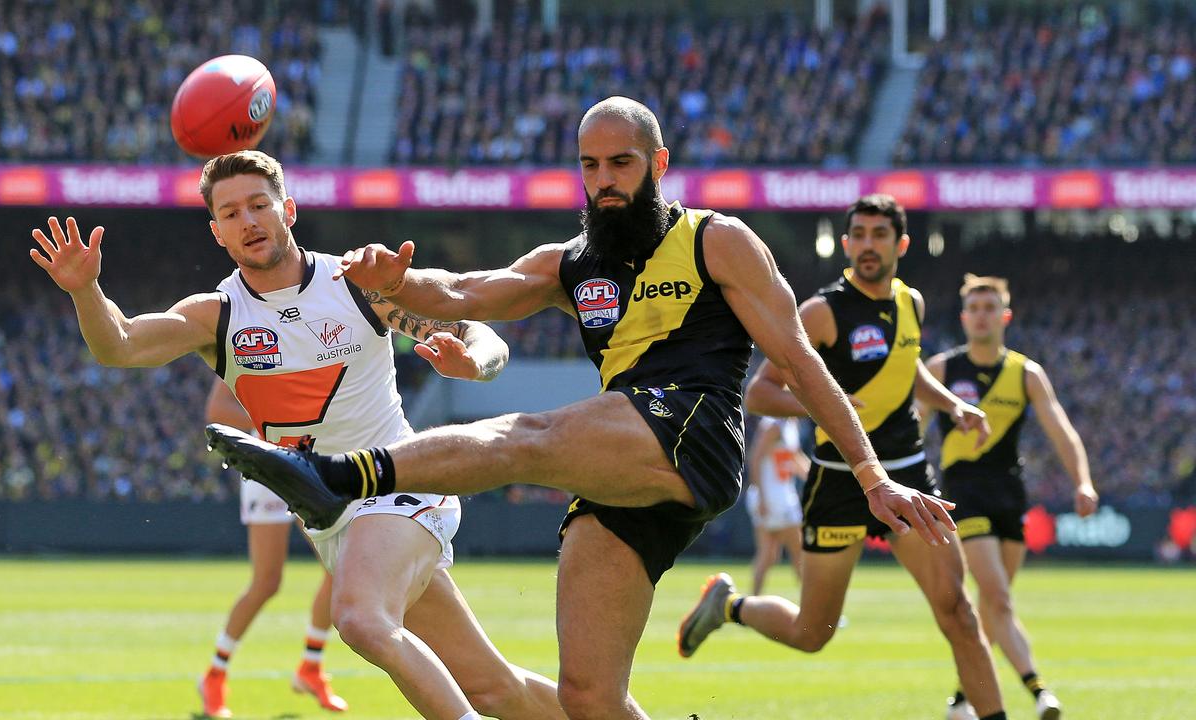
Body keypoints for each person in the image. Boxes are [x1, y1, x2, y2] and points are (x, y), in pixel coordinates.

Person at [203, 97, 959, 720]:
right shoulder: (572, 262)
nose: (604, 181)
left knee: (527, 437)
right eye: (590, 165)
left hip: (691, 429)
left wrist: (869, 472)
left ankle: (337, 476)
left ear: (657, 166)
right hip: (623, 465)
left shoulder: (716, 241)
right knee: (589, 698)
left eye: (621, 163)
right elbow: (466, 294)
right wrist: (396, 279)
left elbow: (796, 358)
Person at [28, 150, 565, 720]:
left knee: (359, 619)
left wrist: (472, 363)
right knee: (494, 687)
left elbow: (478, 331)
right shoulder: (218, 316)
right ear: (216, 233)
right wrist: (85, 291)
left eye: (259, 205)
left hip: (402, 483)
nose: (248, 221)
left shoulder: (357, 280)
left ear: (287, 209)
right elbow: (121, 345)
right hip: (330, 518)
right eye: (231, 213)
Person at [675, 195, 1009, 720]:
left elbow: (908, 364)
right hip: (839, 481)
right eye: (858, 234)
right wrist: (827, 408)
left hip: (910, 477)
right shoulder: (822, 312)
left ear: (901, 244)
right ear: (846, 242)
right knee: (813, 633)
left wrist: (953, 403)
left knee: (960, 614)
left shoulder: (910, 303)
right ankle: (732, 605)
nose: (867, 245)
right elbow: (760, 393)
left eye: (880, 234)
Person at [928, 274, 1098, 720]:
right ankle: (1038, 690)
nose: (982, 316)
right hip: (964, 493)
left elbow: (1061, 430)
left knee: (991, 607)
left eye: (990, 308)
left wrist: (1082, 480)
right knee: (1000, 599)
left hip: (1009, 493)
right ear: (964, 318)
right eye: (974, 309)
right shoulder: (943, 369)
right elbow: (910, 422)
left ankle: (962, 700)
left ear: (1005, 316)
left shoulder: (1026, 374)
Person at [198, 379, 346, 718]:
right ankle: (214, 675)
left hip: (311, 465)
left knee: (339, 566)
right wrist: (272, 422)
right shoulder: (252, 339)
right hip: (268, 468)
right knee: (266, 582)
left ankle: (311, 666)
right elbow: (217, 411)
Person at [745, 416, 808, 594]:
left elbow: (794, 458)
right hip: (773, 497)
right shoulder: (773, 426)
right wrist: (761, 496)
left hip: (782, 494)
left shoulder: (791, 424)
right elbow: (755, 459)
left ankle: (751, 603)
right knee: (798, 552)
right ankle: (814, 608)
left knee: (769, 554)